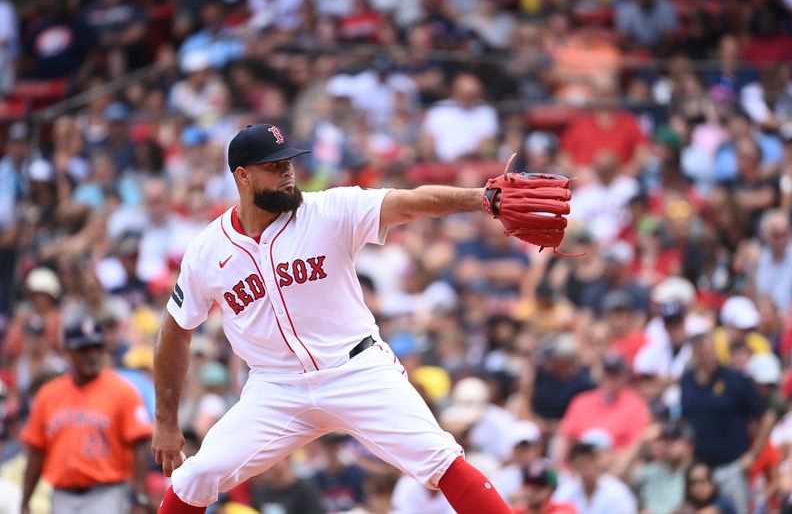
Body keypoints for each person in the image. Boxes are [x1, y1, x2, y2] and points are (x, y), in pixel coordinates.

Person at [152, 124, 520, 513]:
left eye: (289, 162)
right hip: (276, 388)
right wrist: (166, 420)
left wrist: (483, 198)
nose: (288, 172)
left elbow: (413, 201)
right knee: (196, 476)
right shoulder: (207, 250)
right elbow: (175, 332)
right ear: (243, 176)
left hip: (355, 368)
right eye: (274, 166)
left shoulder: (329, 210)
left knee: (440, 458)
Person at [19, 317, 153, 514]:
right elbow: (37, 451)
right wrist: (25, 500)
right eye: (84, 349)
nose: (92, 355)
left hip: (108, 492)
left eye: (97, 347)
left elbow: (140, 446)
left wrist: (140, 496)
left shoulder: (124, 392)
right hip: (62, 494)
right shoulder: (48, 395)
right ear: (67, 352)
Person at [680, 331, 771, 514]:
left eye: (711, 351)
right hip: (700, 470)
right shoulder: (687, 381)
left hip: (731, 467)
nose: (709, 357)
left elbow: (766, 416)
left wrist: (753, 453)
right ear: (695, 354)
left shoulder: (734, 380)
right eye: (703, 352)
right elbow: (685, 419)